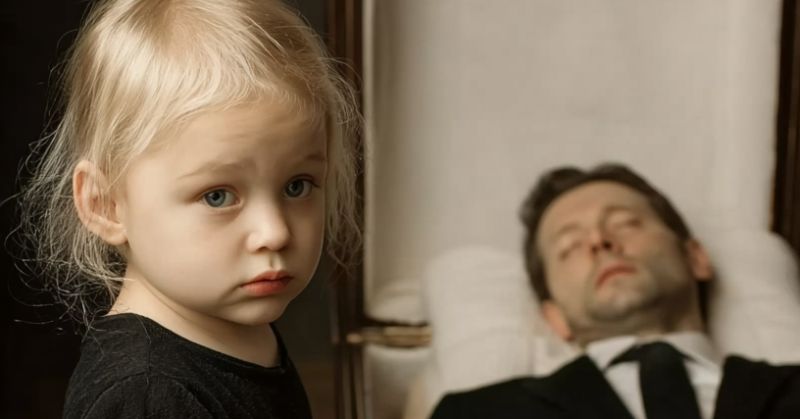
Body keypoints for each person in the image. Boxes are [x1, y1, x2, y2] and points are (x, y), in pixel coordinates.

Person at [17, 0, 359, 417]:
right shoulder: (149, 396)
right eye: (218, 196)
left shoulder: (234, 327)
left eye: (296, 186)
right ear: (106, 205)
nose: (275, 232)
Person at [431, 164, 800, 419]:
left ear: (696, 258)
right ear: (554, 317)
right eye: (569, 247)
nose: (599, 241)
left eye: (626, 224)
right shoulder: (478, 413)